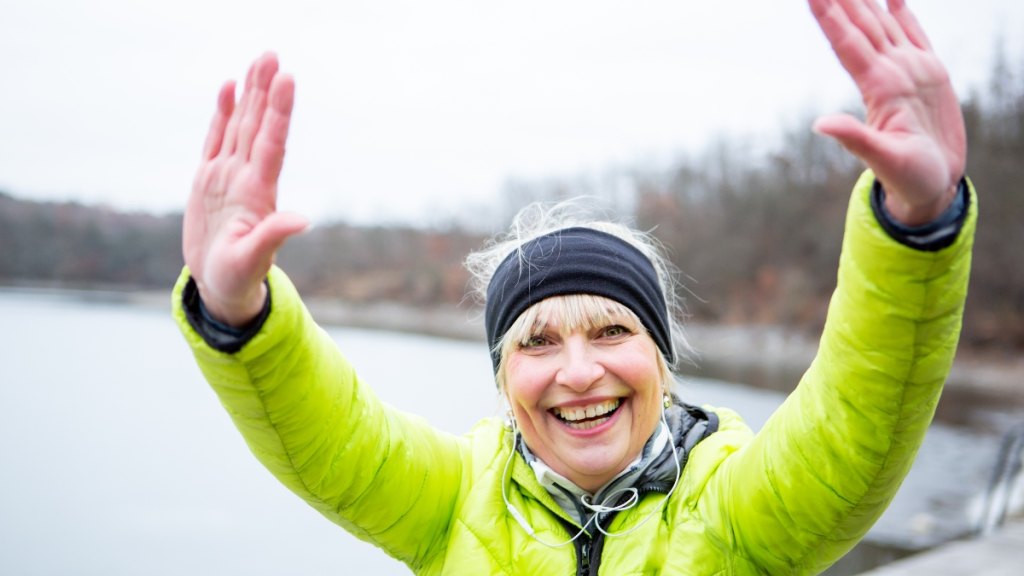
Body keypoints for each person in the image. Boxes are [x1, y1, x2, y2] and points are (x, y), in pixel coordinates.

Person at [172, 0, 975, 573]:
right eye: (538, 341)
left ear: (662, 358)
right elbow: (329, 439)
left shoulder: (735, 510)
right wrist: (238, 315)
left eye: (613, 331)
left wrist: (916, 231)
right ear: (503, 377)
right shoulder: (452, 500)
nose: (579, 371)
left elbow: (858, 424)